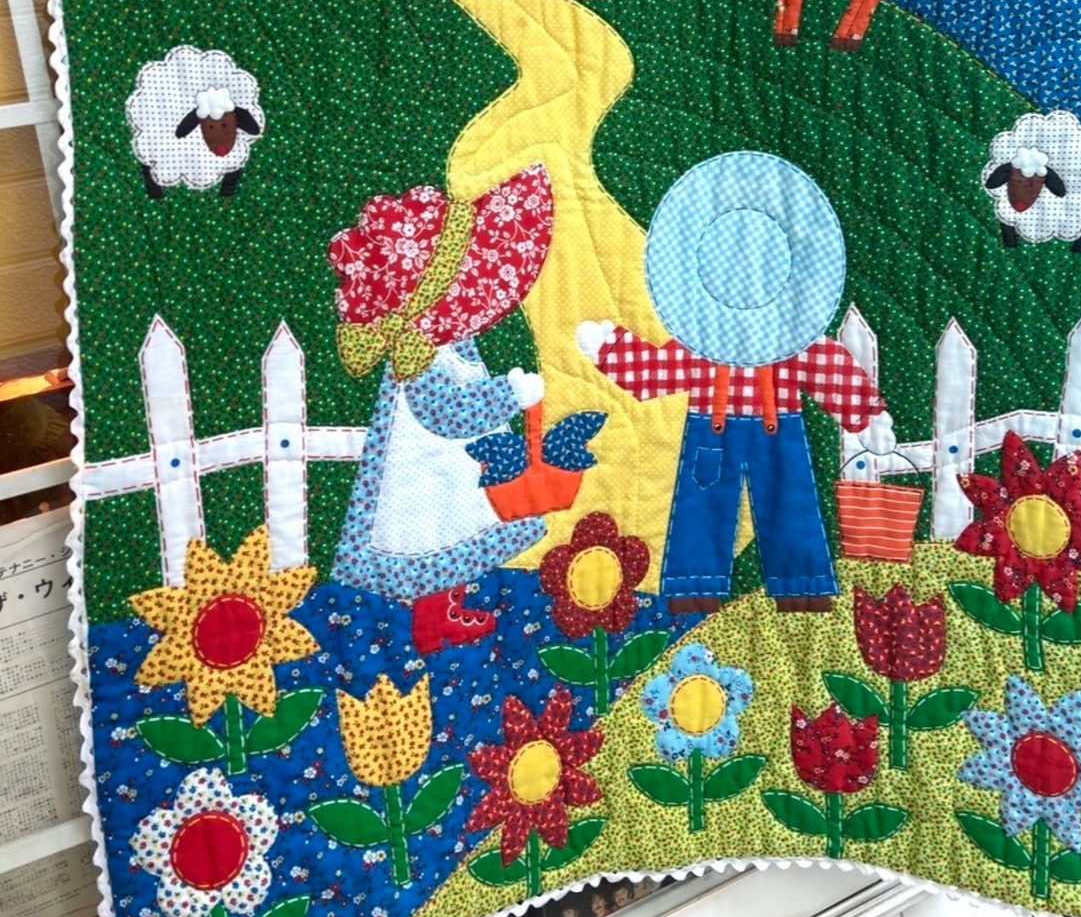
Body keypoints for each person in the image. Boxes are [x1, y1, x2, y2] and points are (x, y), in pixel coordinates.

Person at [579, 152, 895, 614]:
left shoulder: (792, 338)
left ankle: (801, 588)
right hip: (714, 427)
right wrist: (611, 349)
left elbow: (828, 368)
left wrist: (864, 414)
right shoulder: (704, 340)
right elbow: (656, 372)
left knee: (788, 504)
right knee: (706, 508)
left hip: (775, 425)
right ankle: (697, 591)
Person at [328, 165, 553, 654]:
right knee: (431, 540)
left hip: (460, 468)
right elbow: (447, 412)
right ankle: (430, 625)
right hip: (422, 476)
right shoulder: (420, 354)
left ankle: (443, 614)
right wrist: (509, 395)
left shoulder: (449, 340)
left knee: (453, 542)